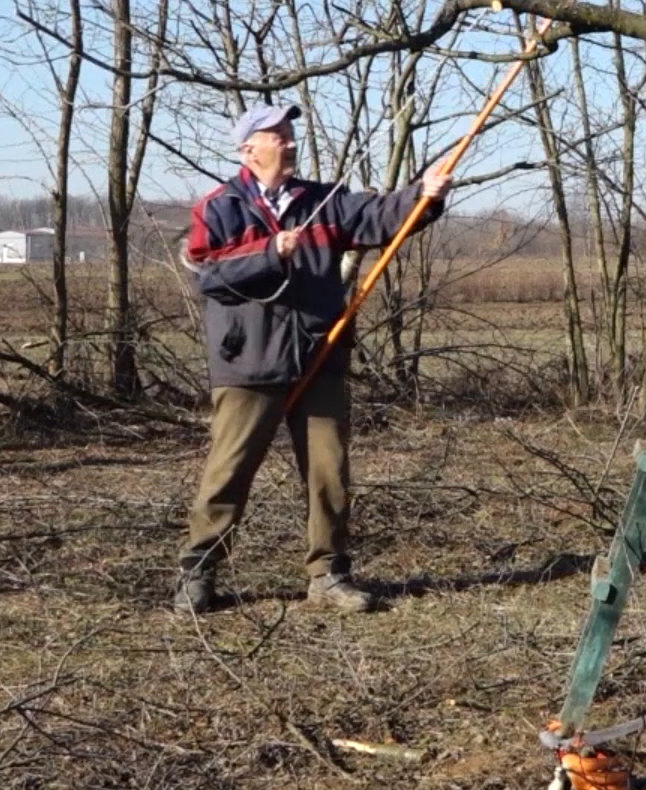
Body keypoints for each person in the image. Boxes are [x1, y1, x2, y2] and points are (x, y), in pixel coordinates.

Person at [175, 103, 450, 614]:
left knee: (330, 471)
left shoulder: (326, 202)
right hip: (248, 363)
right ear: (248, 148)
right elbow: (209, 275)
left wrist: (424, 195)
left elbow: (381, 217)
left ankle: (328, 574)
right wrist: (269, 252)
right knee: (228, 471)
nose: (290, 139)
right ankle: (198, 572)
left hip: (318, 354)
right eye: (277, 133)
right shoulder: (218, 208)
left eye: (290, 131)